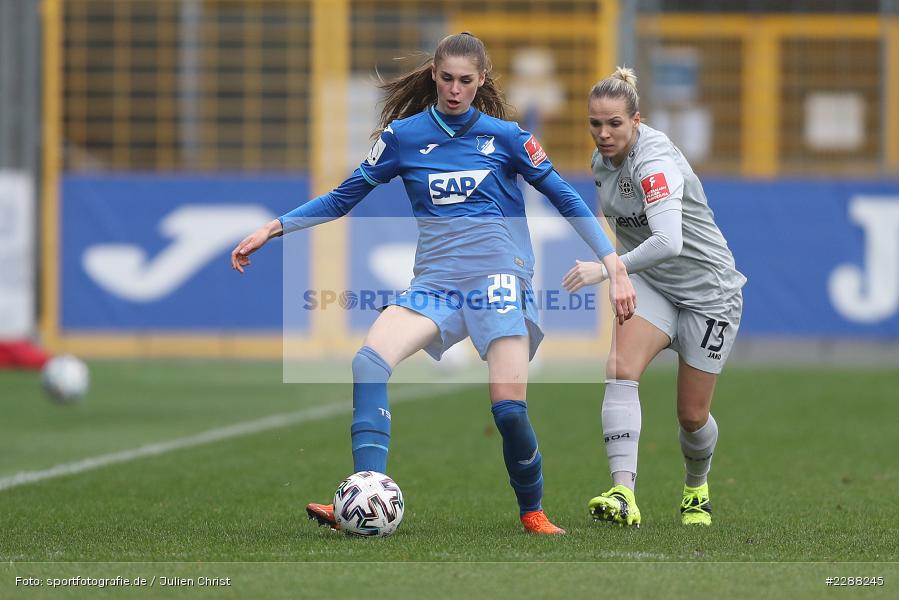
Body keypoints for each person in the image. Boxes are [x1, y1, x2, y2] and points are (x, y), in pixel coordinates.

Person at [231, 33, 636, 535]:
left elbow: (565, 198)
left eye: (466, 80)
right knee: (368, 360)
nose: (455, 89)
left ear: (481, 80)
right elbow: (341, 198)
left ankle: (532, 511)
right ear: (433, 76)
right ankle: (366, 494)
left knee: (509, 412)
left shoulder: (507, 137)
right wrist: (273, 227)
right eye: (446, 78)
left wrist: (612, 262)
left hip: (499, 281)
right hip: (436, 285)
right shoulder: (404, 138)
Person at [563, 67, 746, 527]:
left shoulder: (655, 161)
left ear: (637, 121)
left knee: (691, 416)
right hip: (654, 284)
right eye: (595, 124)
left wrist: (608, 270)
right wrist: (625, 275)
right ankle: (623, 492)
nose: (603, 134)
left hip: (709, 293)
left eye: (614, 124)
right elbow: (629, 234)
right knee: (621, 369)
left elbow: (669, 241)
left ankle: (695, 489)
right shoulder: (600, 162)